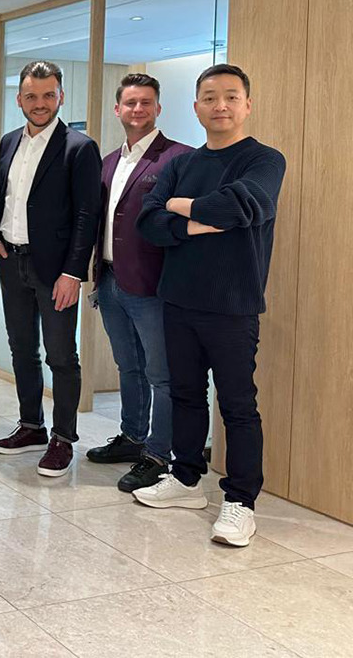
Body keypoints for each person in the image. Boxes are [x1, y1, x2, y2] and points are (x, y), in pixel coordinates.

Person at [133, 64, 285, 548]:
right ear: (196, 107)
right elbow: (147, 222)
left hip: (233, 305)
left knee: (238, 405)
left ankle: (241, 501)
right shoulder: (181, 164)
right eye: (210, 97)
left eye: (231, 96)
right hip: (178, 299)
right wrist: (195, 219)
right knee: (185, 395)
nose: (221, 105)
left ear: (247, 105)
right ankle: (185, 479)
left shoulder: (264, 160)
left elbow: (242, 206)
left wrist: (179, 206)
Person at [0, 61, 102, 477]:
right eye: (32, 96)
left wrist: (73, 273)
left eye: (48, 95)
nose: (40, 103)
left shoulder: (79, 147)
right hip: (11, 261)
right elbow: (0, 196)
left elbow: (87, 215)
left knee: (61, 355)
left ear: (61, 97)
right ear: (19, 99)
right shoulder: (8, 142)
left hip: (56, 271)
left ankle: (63, 438)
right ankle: (31, 426)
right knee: (22, 349)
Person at [87, 74, 192, 493]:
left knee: (160, 375)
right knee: (127, 366)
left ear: (158, 109)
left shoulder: (178, 158)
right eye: (130, 103)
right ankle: (132, 436)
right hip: (110, 279)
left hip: (152, 285)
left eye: (146, 102)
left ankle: (158, 454)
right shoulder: (108, 161)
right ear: (118, 109)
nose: (137, 109)